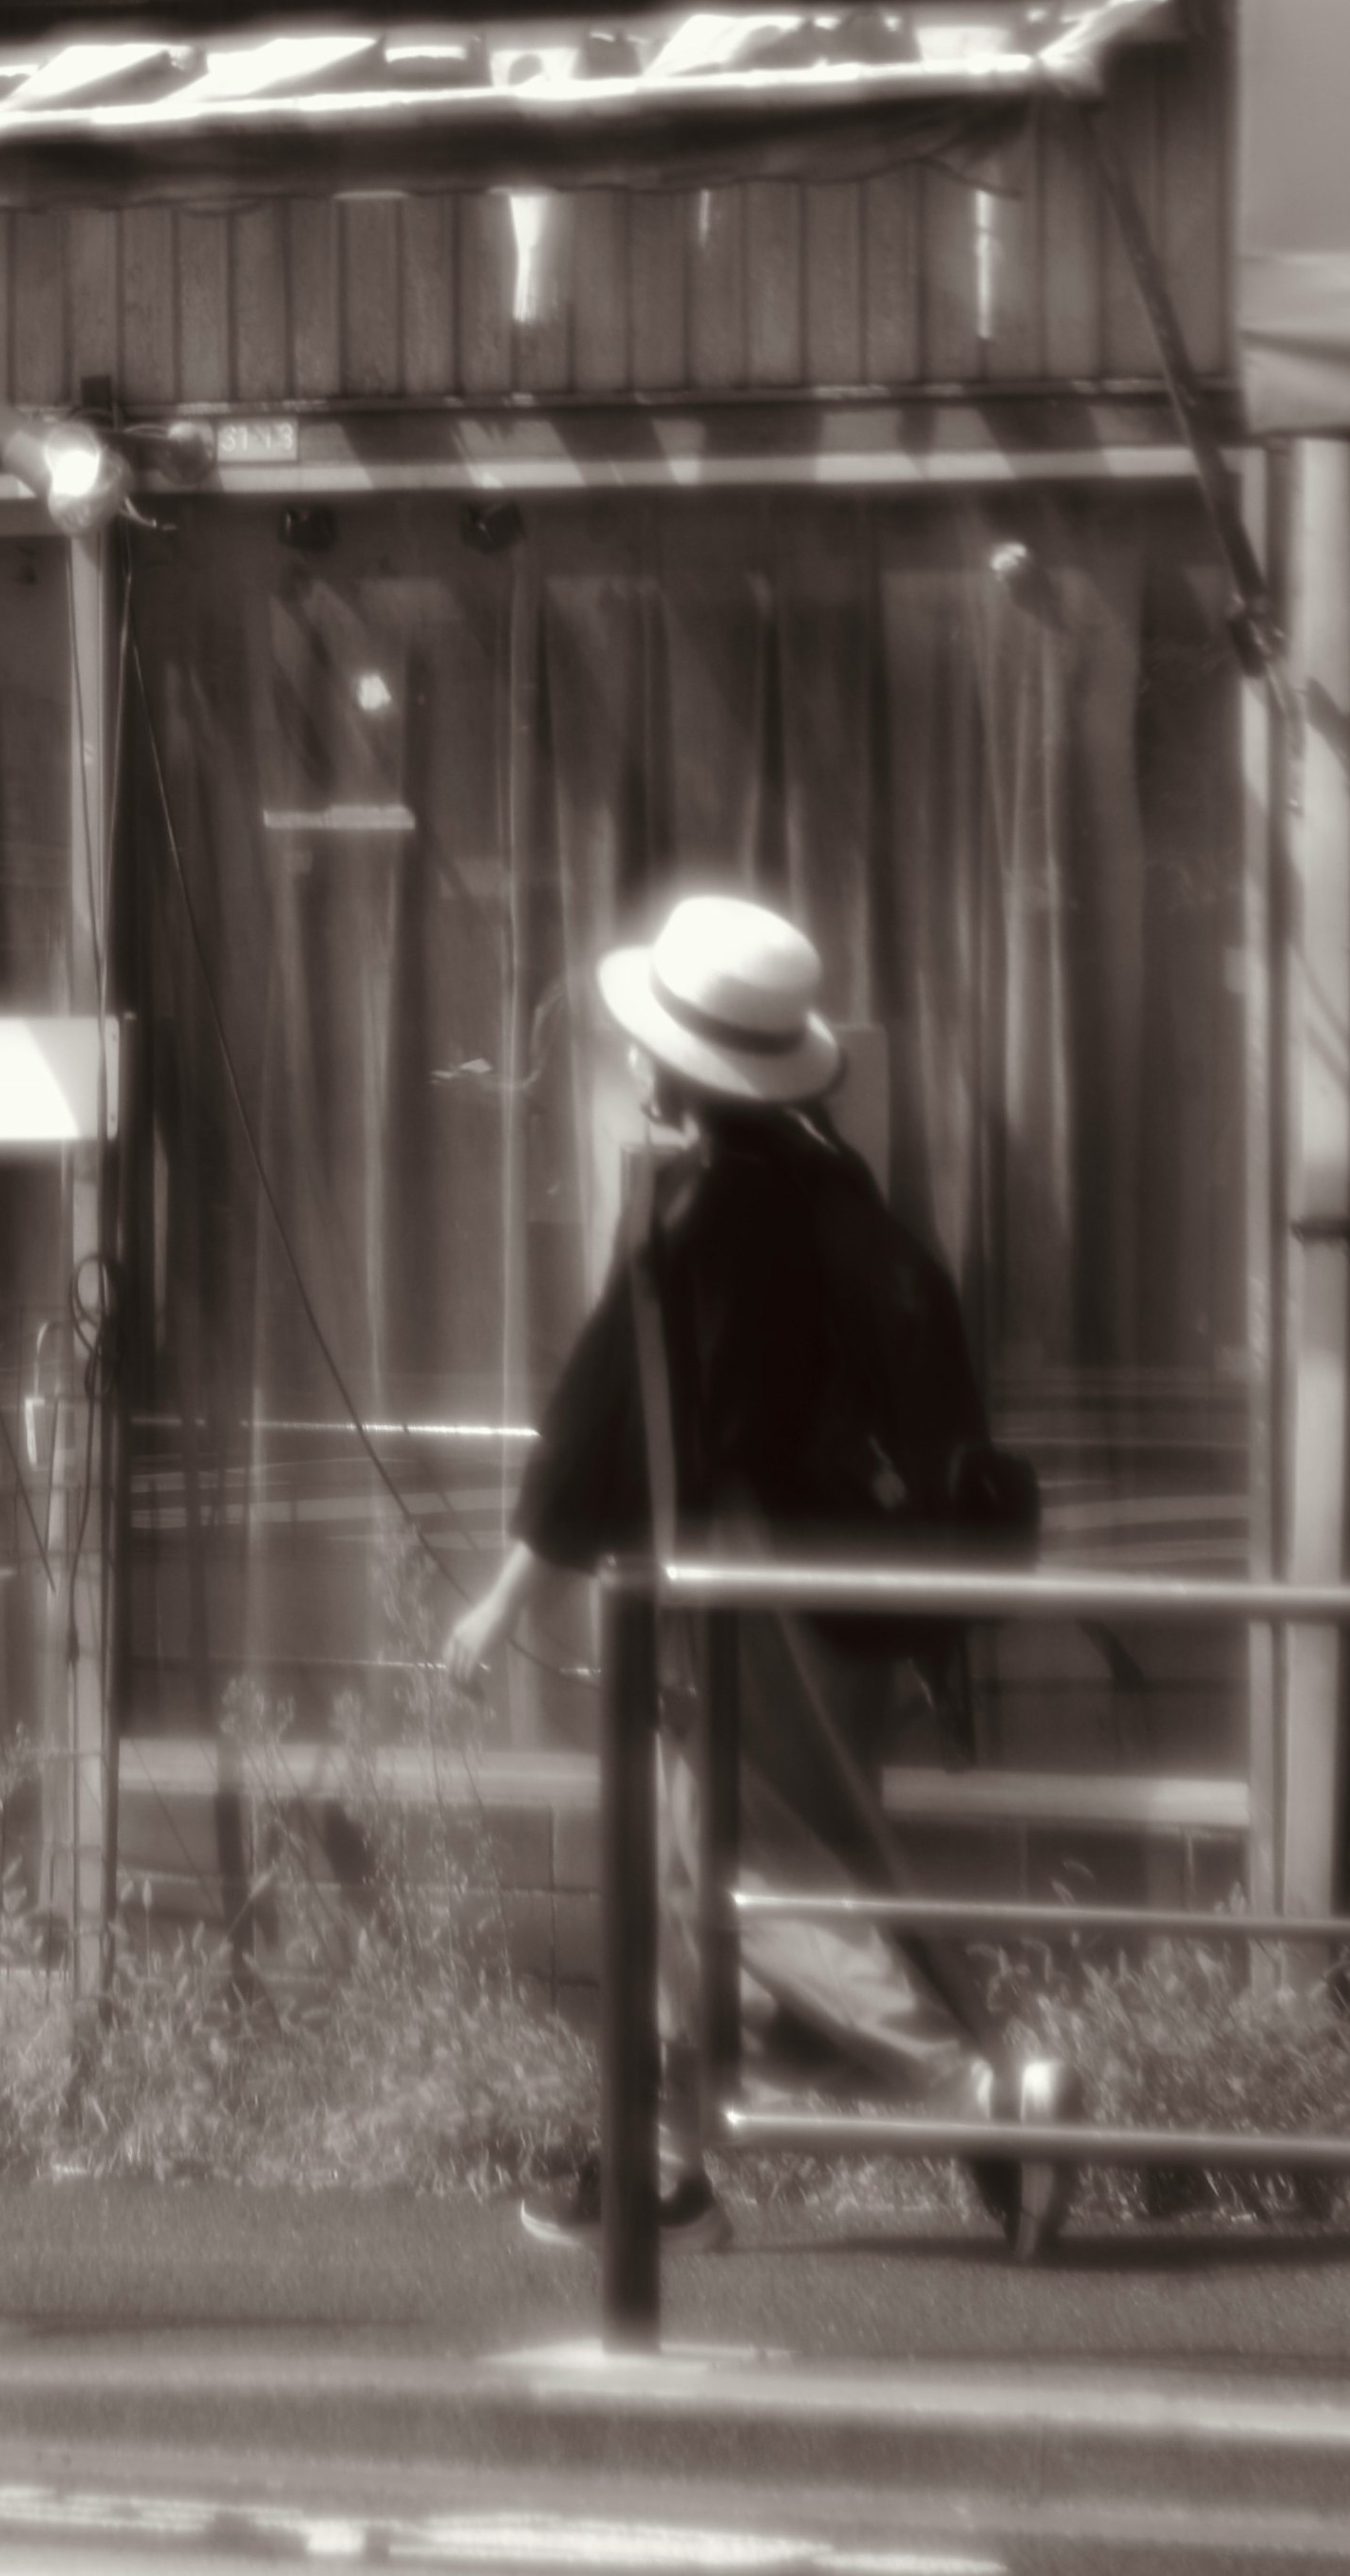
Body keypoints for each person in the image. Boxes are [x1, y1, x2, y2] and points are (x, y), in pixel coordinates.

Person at [445, 888, 1078, 2255]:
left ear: (676, 1063)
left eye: (644, 1045)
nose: (629, 1063)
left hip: (751, 1595)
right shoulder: (827, 1183)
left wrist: (507, 1597)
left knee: (739, 1876)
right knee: (725, 1872)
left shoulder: (709, 1221)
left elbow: (609, 1410)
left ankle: (989, 2095)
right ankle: (665, 2172)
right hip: (852, 1589)